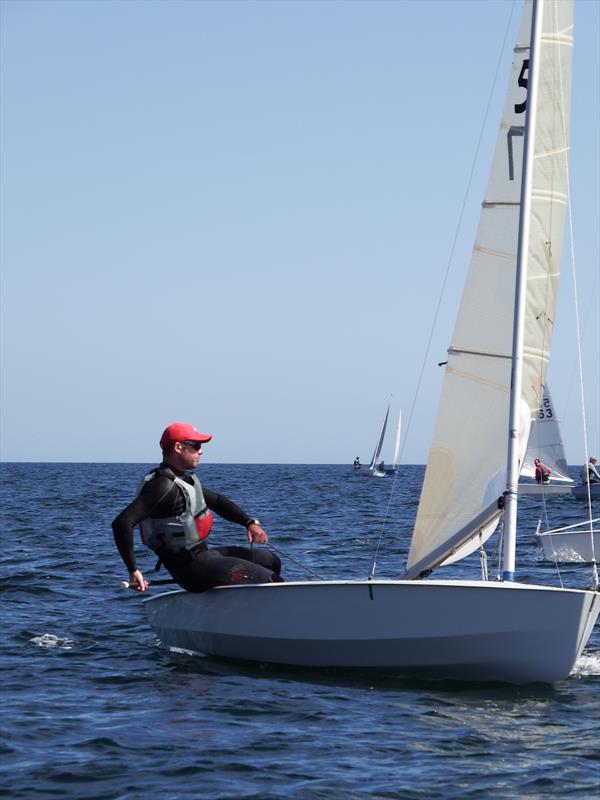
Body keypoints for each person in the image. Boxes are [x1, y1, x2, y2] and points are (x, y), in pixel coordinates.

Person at [112, 421, 283, 593]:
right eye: (195, 445)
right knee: (272, 580)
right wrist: (133, 570)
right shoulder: (162, 486)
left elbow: (217, 501)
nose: (200, 450)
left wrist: (248, 523)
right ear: (178, 447)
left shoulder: (183, 480)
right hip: (191, 570)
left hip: (204, 556)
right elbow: (122, 523)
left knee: (270, 561)